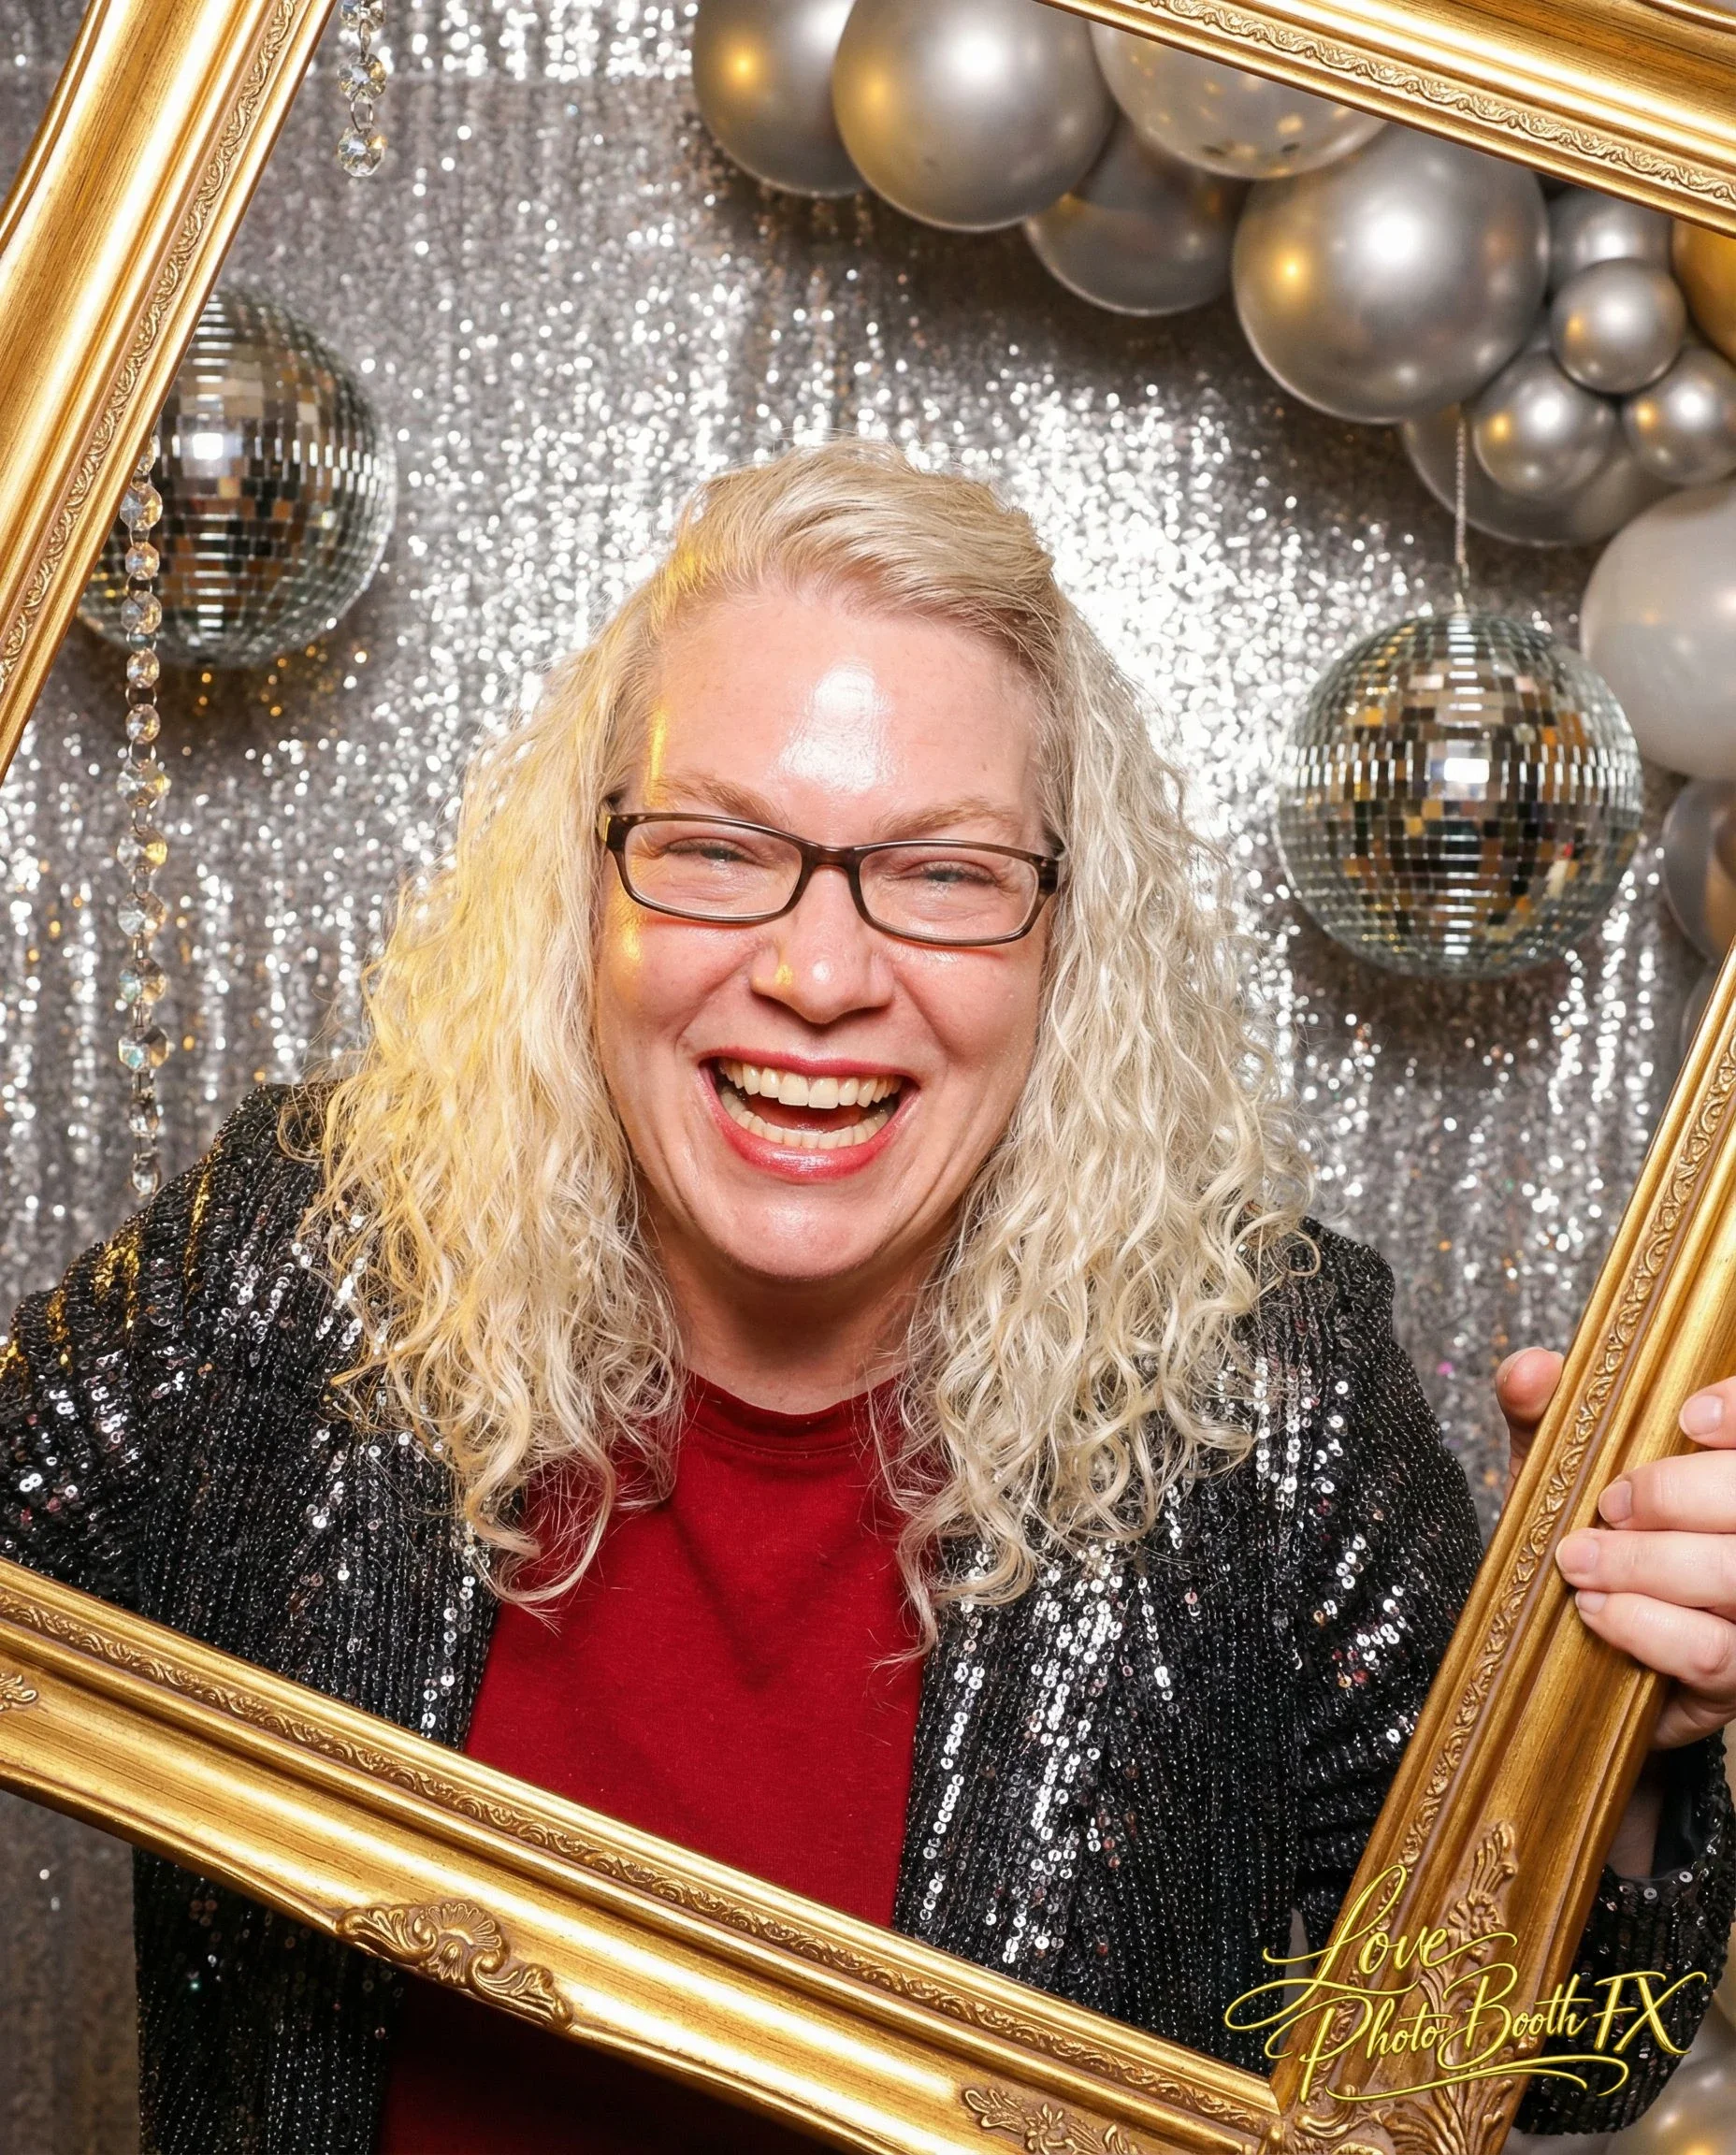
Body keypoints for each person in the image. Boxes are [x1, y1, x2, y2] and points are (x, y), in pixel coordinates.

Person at [3, 441, 1733, 2155]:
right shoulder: (310, 1257)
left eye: (945, 873)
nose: (820, 974)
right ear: (582, 890)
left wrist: (1608, 1747)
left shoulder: (1265, 1381)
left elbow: (1534, 2063)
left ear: (1069, 943)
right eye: (715, 847)